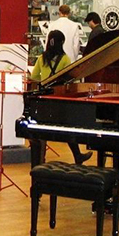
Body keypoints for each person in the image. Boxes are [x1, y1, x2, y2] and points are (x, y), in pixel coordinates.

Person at [30, 30, 92, 165]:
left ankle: (40, 160)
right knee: (68, 128)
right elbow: (70, 79)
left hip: (44, 100)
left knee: (42, 131)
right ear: (61, 43)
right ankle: (77, 155)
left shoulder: (41, 58)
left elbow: (34, 77)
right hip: (58, 99)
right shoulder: (65, 59)